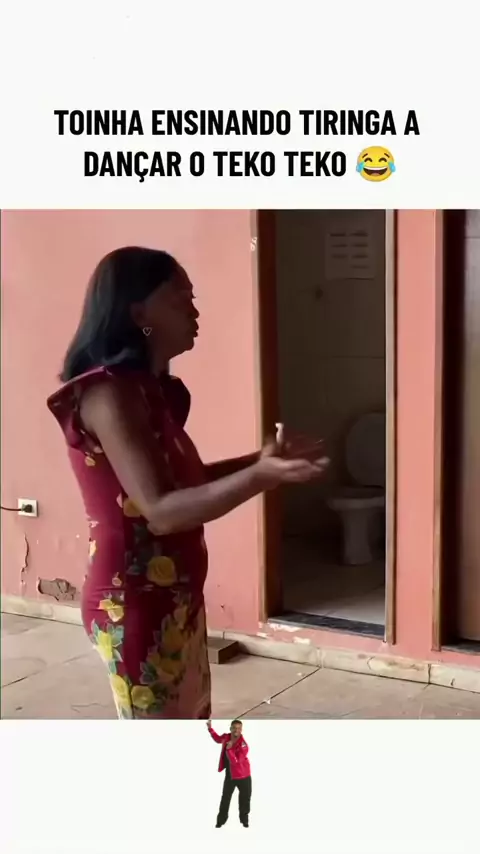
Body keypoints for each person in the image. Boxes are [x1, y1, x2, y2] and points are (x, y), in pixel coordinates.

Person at [47, 246, 329, 720]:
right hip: (132, 603)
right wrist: (260, 476)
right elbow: (161, 510)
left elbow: (188, 485)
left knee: (191, 719)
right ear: (139, 313)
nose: (195, 312)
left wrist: (259, 462)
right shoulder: (107, 394)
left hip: (174, 598)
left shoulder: (151, 391)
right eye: (181, 299)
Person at [207, 718, 252, 827]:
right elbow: (218, 739)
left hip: (243, 776)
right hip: (230, 775)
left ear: (241, 730)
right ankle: (220, 821)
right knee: (225, 799)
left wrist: (229, 749)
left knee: (244, 800)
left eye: (239, 728)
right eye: (234, 728)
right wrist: (210, 729)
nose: (236, 730)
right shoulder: (226, 737)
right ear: (230, 728)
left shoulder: (244, 745)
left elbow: (235, 762)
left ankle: (244, 820)